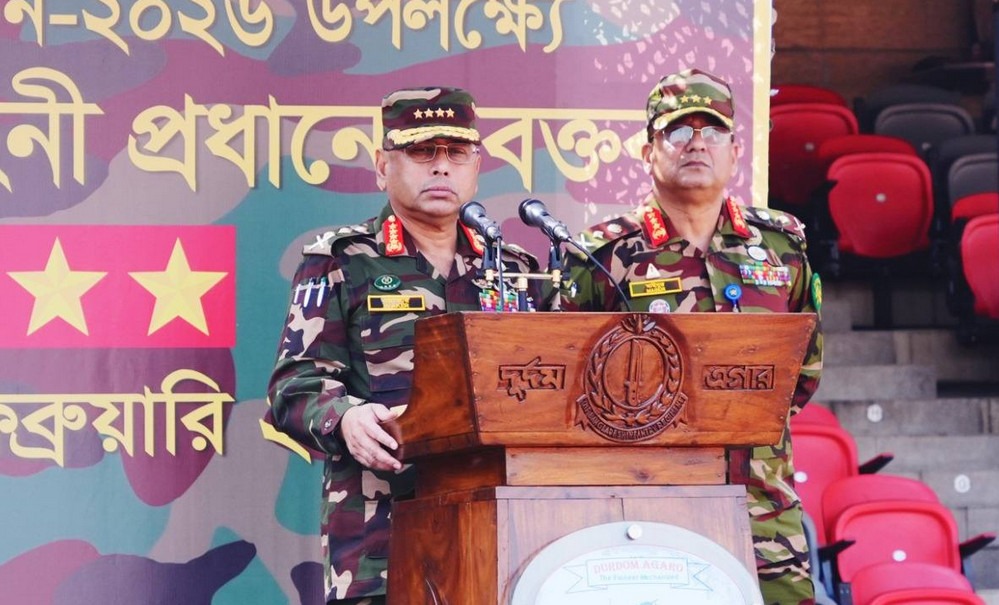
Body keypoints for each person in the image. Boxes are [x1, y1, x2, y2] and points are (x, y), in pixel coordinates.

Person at [266, 86, 544, 605]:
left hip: (501, 529)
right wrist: (346, 417)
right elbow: (294, 385)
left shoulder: (515, 270)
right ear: (382, 167)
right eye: (420, 151)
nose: (441, 166)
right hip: (380, 534)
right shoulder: (341, 259)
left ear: (476, 166)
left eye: (456, 152)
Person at [561, 68, 823, 605]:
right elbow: (565, 386)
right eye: (678, 131)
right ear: (648, 152)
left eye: (713, 131)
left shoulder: (781, 247)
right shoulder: (602, 256)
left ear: (735, 151)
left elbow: (803, 372)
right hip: (642, 509)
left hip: (762, 508)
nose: (697, 144)